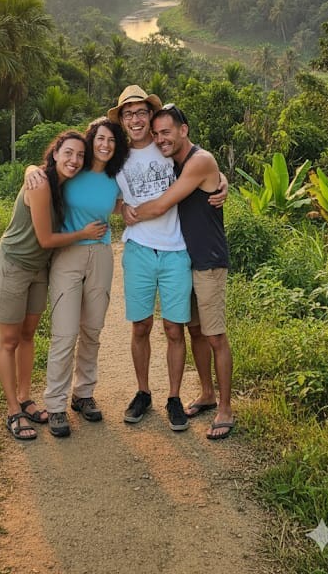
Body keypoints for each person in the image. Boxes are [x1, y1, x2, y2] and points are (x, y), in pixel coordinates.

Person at [125, 104, 234, 440]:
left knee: (215, 336)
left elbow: (160, 205)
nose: (160, 139)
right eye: (156, 134)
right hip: (187, 256)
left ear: (184, 130)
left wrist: (129, 213)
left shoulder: (199, 159)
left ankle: (226, 409)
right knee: (195, 331)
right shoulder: (173, 159)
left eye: (166, 132)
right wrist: (223, 181)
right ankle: (206, 393)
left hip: (208, 259)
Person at [0, 130, 107, 442]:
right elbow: (45, 239)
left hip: (39, 268)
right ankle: (13, 410)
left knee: (28, 335)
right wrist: (83, 233)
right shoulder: (42, 184)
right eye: (68, 153)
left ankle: (26, 398)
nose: (74, 160)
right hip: (14, 264)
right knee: (9, 340)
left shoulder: (62, 184)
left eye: (80, 156)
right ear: (55, 153)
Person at [25, 118, 129, 438]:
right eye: (100, 138)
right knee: (64, 333)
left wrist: (219, 180)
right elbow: (41, 170)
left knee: (92, 329)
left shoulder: (116, 178)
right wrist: (29, 170)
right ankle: (55, 405)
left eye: (112, 140)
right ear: (91, 140)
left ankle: (83, 394)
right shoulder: (73, 169)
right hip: (67, 255)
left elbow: (128, 200)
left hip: (100, 255)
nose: (105, 145)